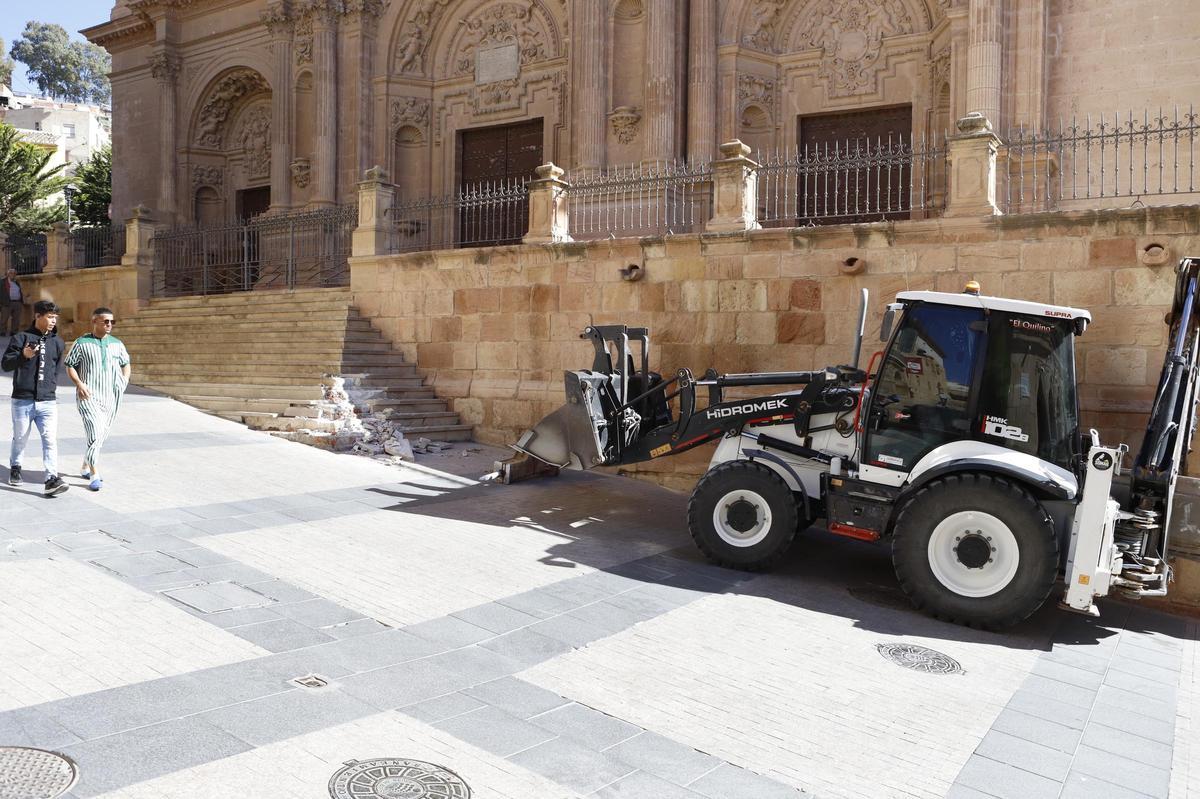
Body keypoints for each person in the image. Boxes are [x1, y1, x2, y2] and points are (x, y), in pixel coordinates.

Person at [2, 299, 68, 495]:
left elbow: (56, 370)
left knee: (50, 439)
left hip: (47, 400)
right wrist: (23, 355)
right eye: (49, 317)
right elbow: (6, 365)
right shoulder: (21, 338)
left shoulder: (58, 342)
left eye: (55, 317)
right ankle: (15, 467)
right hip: (23, 399)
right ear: (37, 316)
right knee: (21, 437)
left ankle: (51, 479)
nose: (53, 321)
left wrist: (51, 390)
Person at [65, 307, 131, 491]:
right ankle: (95, 474)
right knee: (94, 432)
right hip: (88, 396)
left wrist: (124, 381)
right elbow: (70, 365)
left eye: (112, 321)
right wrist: (79, 383)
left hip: (110, 396)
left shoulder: (117, 343)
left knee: (101, 435)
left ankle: (85, 465)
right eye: (105, 321)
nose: (109, 324)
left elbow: (126, 363)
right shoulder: (81, 342)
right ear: (95, 322)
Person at [1, 268, 24, 336]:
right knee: (4, 318)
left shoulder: (16, 282)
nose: (13, 275)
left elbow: (19, 291)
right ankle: (2, 331)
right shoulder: (2, 282)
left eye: (14, 273)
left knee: (16, 318)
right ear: (8, 274)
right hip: (7, 302)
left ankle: (14, 331)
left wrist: (21, 301)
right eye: (11, 273)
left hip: (17, 302)